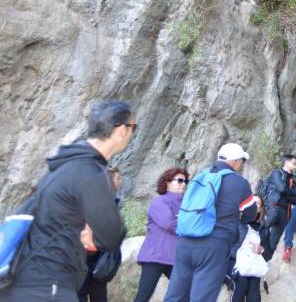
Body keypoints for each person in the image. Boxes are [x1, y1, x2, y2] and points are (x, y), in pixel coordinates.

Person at [1, 101, 131, 302]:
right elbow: (112, 234)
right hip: (48, 285)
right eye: (132, 127)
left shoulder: (64, 165)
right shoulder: (90, 171)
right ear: (121, 130)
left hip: (28, 280)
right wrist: (94, 238)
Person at [164, 143, 259, 301]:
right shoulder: (239, 182)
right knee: (202, 297)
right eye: (242, 160)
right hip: (213, 246)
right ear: (235, 160)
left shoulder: (201, 175)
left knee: (175, 296)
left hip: (185, 243)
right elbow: (251, 215)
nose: (242, 164)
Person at [133, 168, 189, 302]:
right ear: (167, 182)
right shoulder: (160, 201)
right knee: (144, 295)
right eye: (179, 180)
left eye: (185, 181)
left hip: (175, 258)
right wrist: (188, 222)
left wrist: (181, 218)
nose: (183, 184)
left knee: (185, 295)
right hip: (155, 256)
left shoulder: (187, 203)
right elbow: (169, 224)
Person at [78, 167, 125, 302]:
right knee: (83, 292)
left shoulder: (110, 200)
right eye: (117, 178)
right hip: (88, 253)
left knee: (96, 292)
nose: (120, 182)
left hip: (99, 255)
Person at [259, 154, 296, 263]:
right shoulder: (277, 173)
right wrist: (290, 193)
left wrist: (287, 192)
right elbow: (281, 188)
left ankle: (264, 263)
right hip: (272, 207)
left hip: (285, 213)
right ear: (286, 162)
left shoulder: (292, 180)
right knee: (262, 230)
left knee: (273, 242)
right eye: (294, 163)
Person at [227, 197, 266, 302]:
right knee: (241, 282)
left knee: (254, 287)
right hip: (232, 259)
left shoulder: (262, 227)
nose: (254, 205)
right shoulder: (239, 220)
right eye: (252, 202)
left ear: (261, 209)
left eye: (257, 203)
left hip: (250, 261)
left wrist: (261, 249)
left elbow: (268, 250)